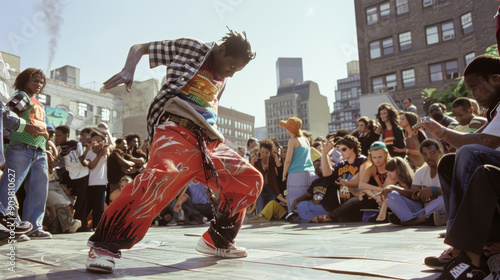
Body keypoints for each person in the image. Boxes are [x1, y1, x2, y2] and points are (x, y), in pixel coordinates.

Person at [86, 29, 260, 273]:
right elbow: (141, 47)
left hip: (206, 141)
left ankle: (218, 240)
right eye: (230, 66)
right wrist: (128, 69)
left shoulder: (223, 80)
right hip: (175, 130)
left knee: (249, 179)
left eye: (236, 71)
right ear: (220, 50)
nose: (230, 73)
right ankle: (103, 245)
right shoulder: (194, 48)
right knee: (160, 175)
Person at [415, 54, 500, 279]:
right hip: (492, 175)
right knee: (448, 163)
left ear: (496, 79)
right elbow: (478, 138)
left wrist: (441, 131)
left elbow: (483, 144)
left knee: (468, 153)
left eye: (476, 89)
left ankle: (466, 253)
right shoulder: (494, 111)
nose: (473, 96)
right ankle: (461, 244)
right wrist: (440, 133)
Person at [0, 68, 52, 239]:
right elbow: (6, 118)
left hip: (40, 151)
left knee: (39, 191)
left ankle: (33, 227)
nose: (39, 85)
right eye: (35, 81)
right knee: (9, 188)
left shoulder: (38, 103)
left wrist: (47, 140)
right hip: (21, 147)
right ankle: (9, 227)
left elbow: (40, 127)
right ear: (25, 80)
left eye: (41, 82)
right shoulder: (21, 96)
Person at [385, 139, 446, 226]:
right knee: (391, 194)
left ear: (439, 152)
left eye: (432, 152)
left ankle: (411, 220)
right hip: (422, 208)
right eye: (425, 154)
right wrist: (393, 187)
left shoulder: (447, 168)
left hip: (440, 206)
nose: (429, 156)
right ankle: (425, 218)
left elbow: (454, 192)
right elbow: (412, 193)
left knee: (446, 199)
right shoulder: (420, 171)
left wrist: (434, 190)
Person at [310, 135, 368, 223]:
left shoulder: (362, 161)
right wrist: (325, 154)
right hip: (344, 203)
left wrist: (346, 183)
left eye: (343, 149)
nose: (341, 152)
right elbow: (326, 173)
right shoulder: (342, 164)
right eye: (339, 150)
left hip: (360, 200)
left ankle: (329, 217)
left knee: (353, 201)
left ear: (352, 148)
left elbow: (360, 181)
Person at [54, 125, 91, 231]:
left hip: (82, 176)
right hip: (71, 177)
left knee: (81, 202)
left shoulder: (75, 144)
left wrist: (87, 160)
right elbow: (57, 164)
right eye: (55, 135)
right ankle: (69, 223)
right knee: (70, 201)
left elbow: (82, 160)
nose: (56, 138)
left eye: (59, 135)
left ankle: (81, 225)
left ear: (67, 135)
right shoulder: (58, 147)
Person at [280, 117, 316, 214]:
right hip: (310, 172)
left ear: (288, 129)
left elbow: (287, 160)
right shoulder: (306, 140)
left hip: (296, 173)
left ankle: (295, 216)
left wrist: (284, 174)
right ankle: (308, 216)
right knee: (307, 197)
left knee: (294, 197)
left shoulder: (292, 141)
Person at [82, 130, 110, 230]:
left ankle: (97, 226)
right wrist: (99, 155)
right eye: (94, 140)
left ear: (103, 141)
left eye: (99, 140)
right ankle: (82, 224)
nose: (96, 143)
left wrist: (103, 150)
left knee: (99, 207)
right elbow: (91, 166)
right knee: (88, 205)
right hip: (90, 183)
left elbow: (110, 148)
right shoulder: (89, 152)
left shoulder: (105, 150)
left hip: (101, 182)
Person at [250, 138, 279, 213]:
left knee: (271, 213)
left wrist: (278, 193)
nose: (264, 154)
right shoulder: (257, 161)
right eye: (262, 152)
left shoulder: (272, 160)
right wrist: (252, 162)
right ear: (260, 151)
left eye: (266, 152)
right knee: (260, 212)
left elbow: (276, 174)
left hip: (271, 189)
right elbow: (250, 172)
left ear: (269, 152)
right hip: (260, 190)